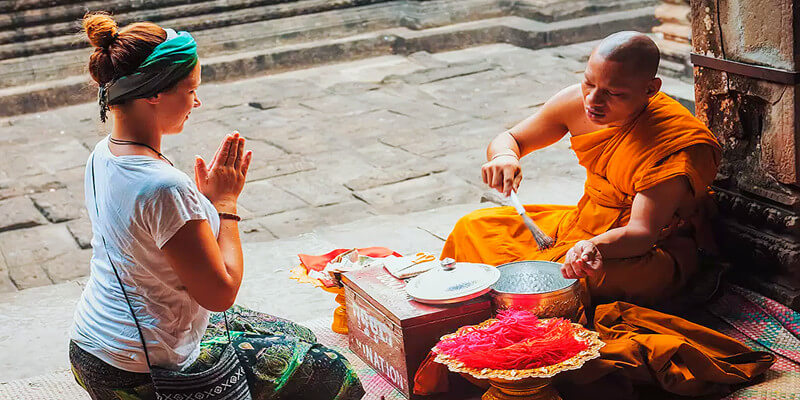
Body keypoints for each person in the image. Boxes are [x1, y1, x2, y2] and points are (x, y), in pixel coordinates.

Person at [69, 12, 364, 400]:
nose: (197, 101)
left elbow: (154, 243)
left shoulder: (103, 154)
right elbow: (220, 295)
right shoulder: (164, 186)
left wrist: (199, 207)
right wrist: (225, 204)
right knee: (333, 373)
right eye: (190, 89)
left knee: (297, 335)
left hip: (89, 346)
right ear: (154, 93)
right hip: (136, 371)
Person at [442, 31, 722, 308]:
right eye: (589, 83)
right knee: (472, 228)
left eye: (613, 93)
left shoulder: (674, 146)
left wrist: (593, 247)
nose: (593, 100)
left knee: (566, 281)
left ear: (650, 89)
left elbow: (641, 233)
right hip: (581, 223)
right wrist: (504, 157)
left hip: (640, 248)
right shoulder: (576, 102)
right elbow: (513, 138)